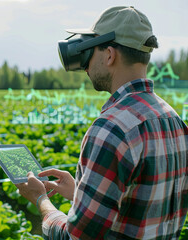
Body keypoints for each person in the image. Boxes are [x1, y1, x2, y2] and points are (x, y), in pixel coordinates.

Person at [16, 6, 188, 239]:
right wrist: (80, 192)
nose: (85, 64)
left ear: (109, 54)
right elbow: (142, 205)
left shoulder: (111, 128)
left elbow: (76, 237)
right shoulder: (173, 119)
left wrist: (41, 200)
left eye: (89, 51)